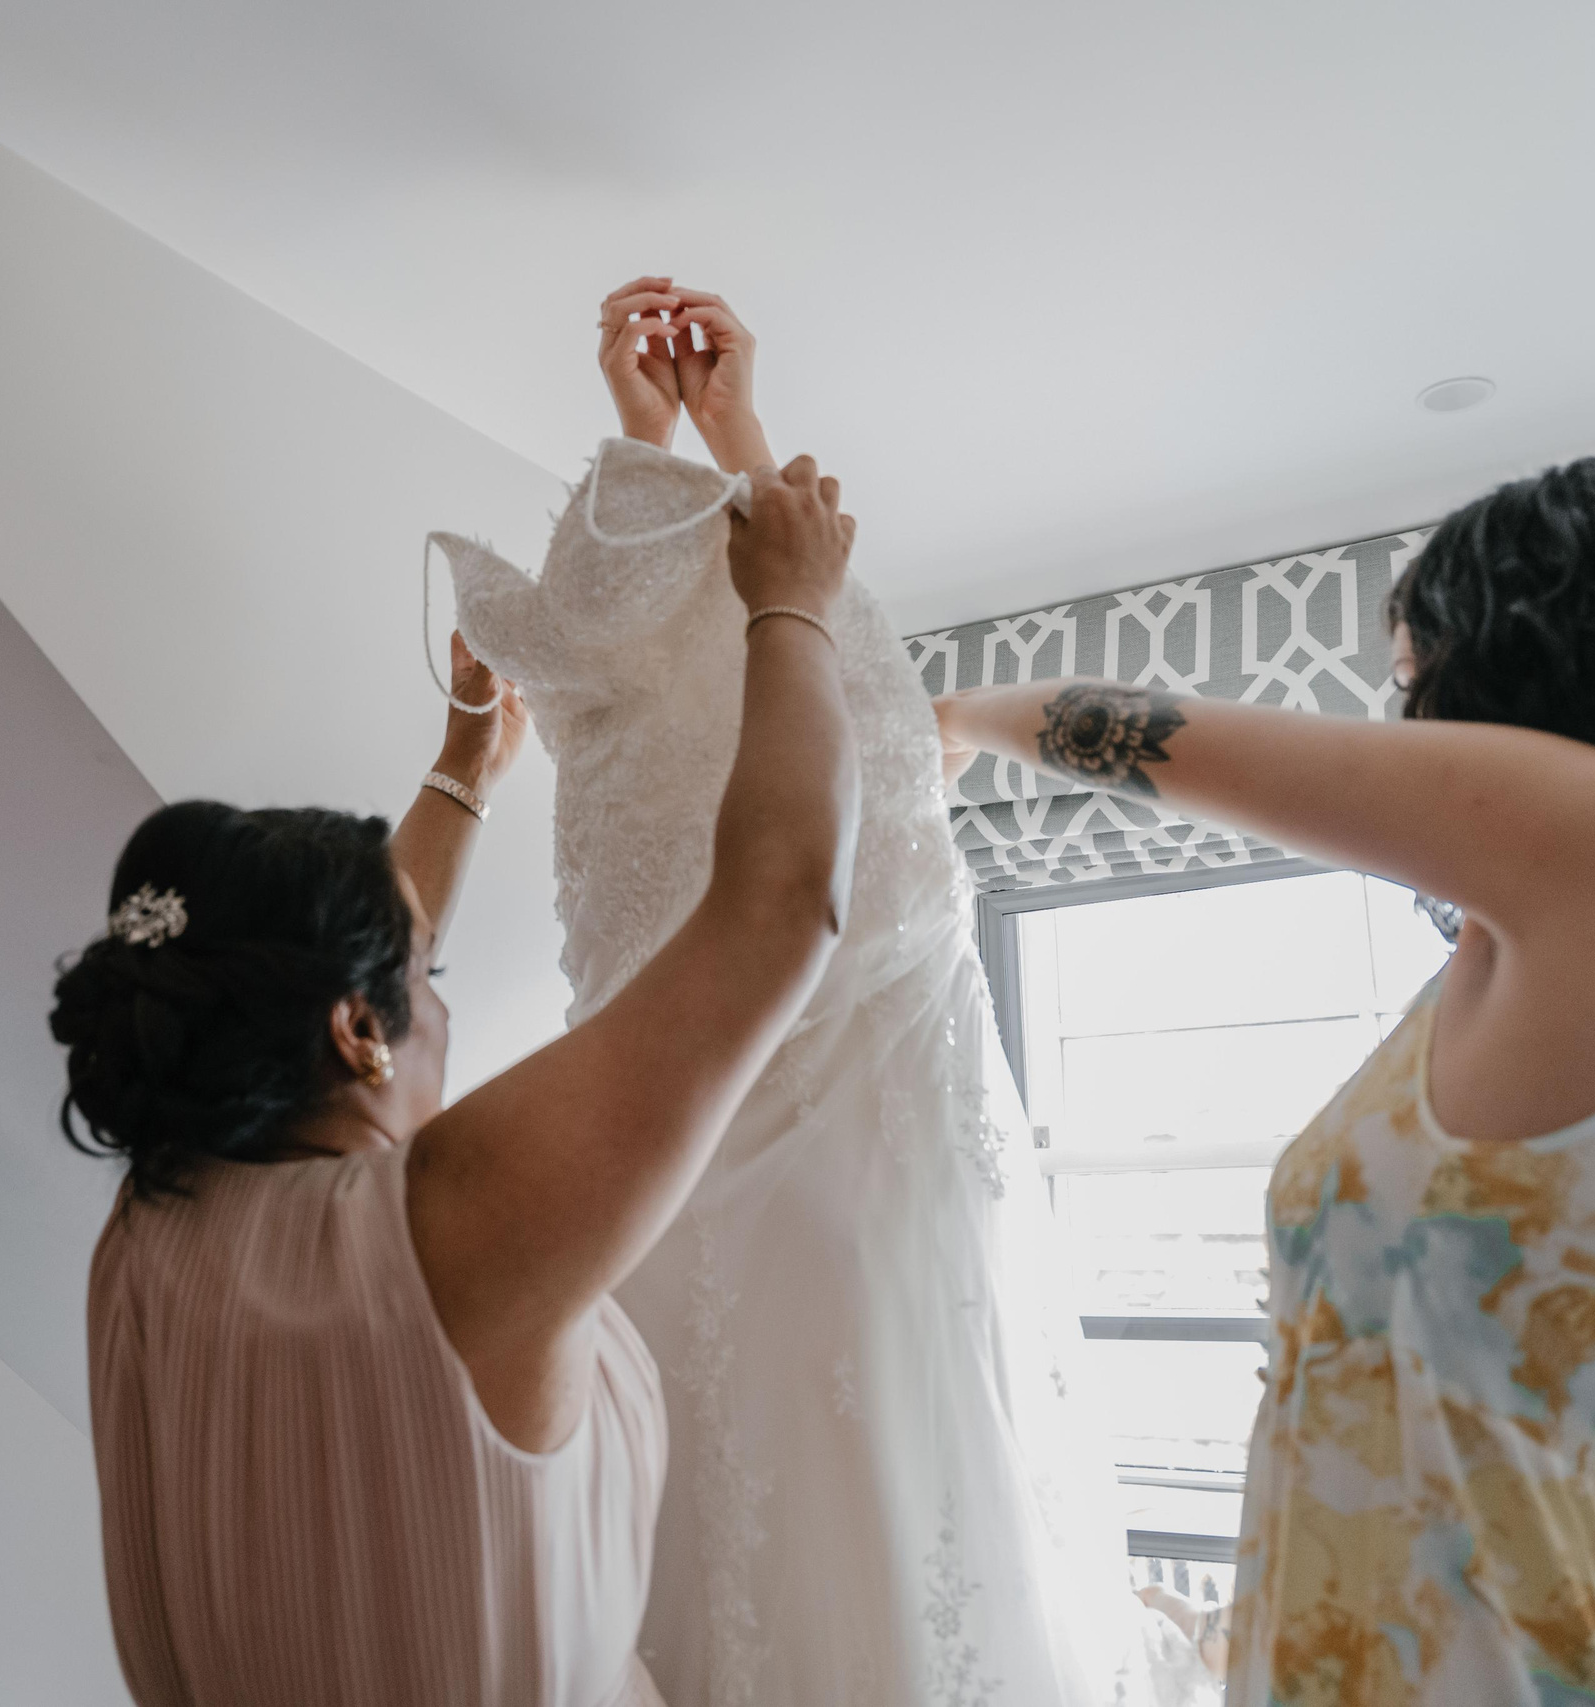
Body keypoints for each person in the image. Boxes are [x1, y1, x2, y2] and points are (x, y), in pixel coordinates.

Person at [933, 457, 1595, 1706]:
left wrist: (953, 718)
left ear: (1530, 665)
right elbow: (1465, 1439)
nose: (1412, 724)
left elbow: (1181, 746)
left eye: (1423, 683)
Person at [445, 282, 1210, 1705]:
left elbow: (814, 700)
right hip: (817, 1237)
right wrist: (720, 445)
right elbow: (833, 702)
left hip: (732, 1242)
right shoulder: (832, 881)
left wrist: (704, 442)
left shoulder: (666, 976)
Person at [48, 404, 861, 1702]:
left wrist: (466, 763)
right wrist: (797, 606)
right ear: (356, 1028)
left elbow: (359, 977)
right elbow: (783, 899)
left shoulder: (151, 1229)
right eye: (421, 978)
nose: (435, 984)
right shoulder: (454, 1220)